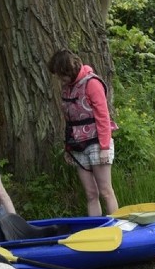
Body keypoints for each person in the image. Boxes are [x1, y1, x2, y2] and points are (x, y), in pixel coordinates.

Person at [48, 49, 119, 216]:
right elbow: (68, 120)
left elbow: (103, 116)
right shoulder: (67, 88)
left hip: (96, 142)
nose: (60, 79)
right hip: (77, 145)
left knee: (106, 192)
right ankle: (96, 234)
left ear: (69, 70)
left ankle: (118, 229)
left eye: (61, 75)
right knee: (91, 194)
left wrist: (104, 147)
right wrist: (68, 148)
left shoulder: (92, 83)